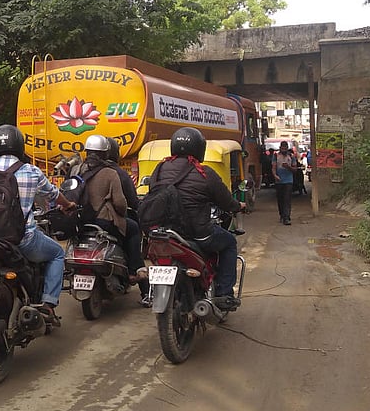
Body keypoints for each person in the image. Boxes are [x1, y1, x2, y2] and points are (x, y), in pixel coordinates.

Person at [0, 124, 76, 325]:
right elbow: (53, 195)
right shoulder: (30, 171)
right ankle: (48, 303)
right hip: (22, 240)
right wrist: (67, 205)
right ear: (19, 146)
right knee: (58, 253)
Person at [148, 127, 246, 309]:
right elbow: (226, 202)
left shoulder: (160, 169)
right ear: (199, 149)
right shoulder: (205, 173)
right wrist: (239, 206)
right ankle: (224, 294)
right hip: (198, 234)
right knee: (229, 243)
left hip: (166, 232)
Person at [81, 135, 151, 307]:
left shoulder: (77, 169)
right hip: (104, 221)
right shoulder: (114, 173)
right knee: (134, 229)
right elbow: (122, 203)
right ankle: (140, 278)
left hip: (80, 222)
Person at [272, 140, 298, 225]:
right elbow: (273, 167)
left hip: (288, 181)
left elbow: (295, 170)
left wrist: (288, 167)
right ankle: (282, 214)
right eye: (282, 148)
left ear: (287, 148)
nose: (283, 150)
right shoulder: (275, 156)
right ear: (280, 148)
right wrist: (275, 175)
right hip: (279, 181)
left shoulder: (291, 156)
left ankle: (286, 217)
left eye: (285, 148)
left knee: (287, 199)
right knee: (280, 199)